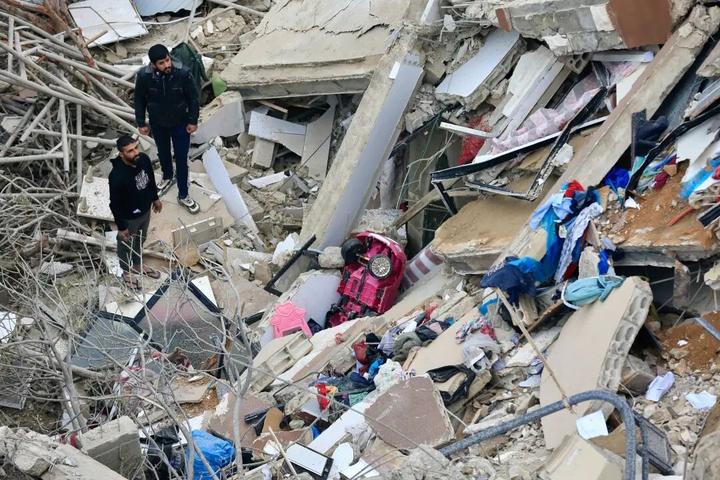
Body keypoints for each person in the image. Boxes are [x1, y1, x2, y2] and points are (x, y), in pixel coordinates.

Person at [134, 43, 200, 214]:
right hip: (158, 124)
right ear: (153, 64)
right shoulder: (144, 76)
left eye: (167, 60)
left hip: (180, 124)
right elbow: (139, 100)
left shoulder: (183, 73)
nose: (166, 65)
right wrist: (141, 122)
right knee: (163, 153)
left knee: (181, 159)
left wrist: (193, 121)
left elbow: (193, 98)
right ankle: (167, 176)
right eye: (161, 63)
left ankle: (183, 194)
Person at [109, 135, 163, 288]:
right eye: (130, 151)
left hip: (145, 211)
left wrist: (155, 198)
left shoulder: (143, 159)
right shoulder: (117, 176)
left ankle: (137, 265)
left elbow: (150, 179)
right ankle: (126, 272)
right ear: (121, 154)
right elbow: (114, 204)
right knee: (125, 245)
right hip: (129, 218)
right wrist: (122, 227)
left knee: (140, 239)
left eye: (136, 148)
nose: (136, 152)